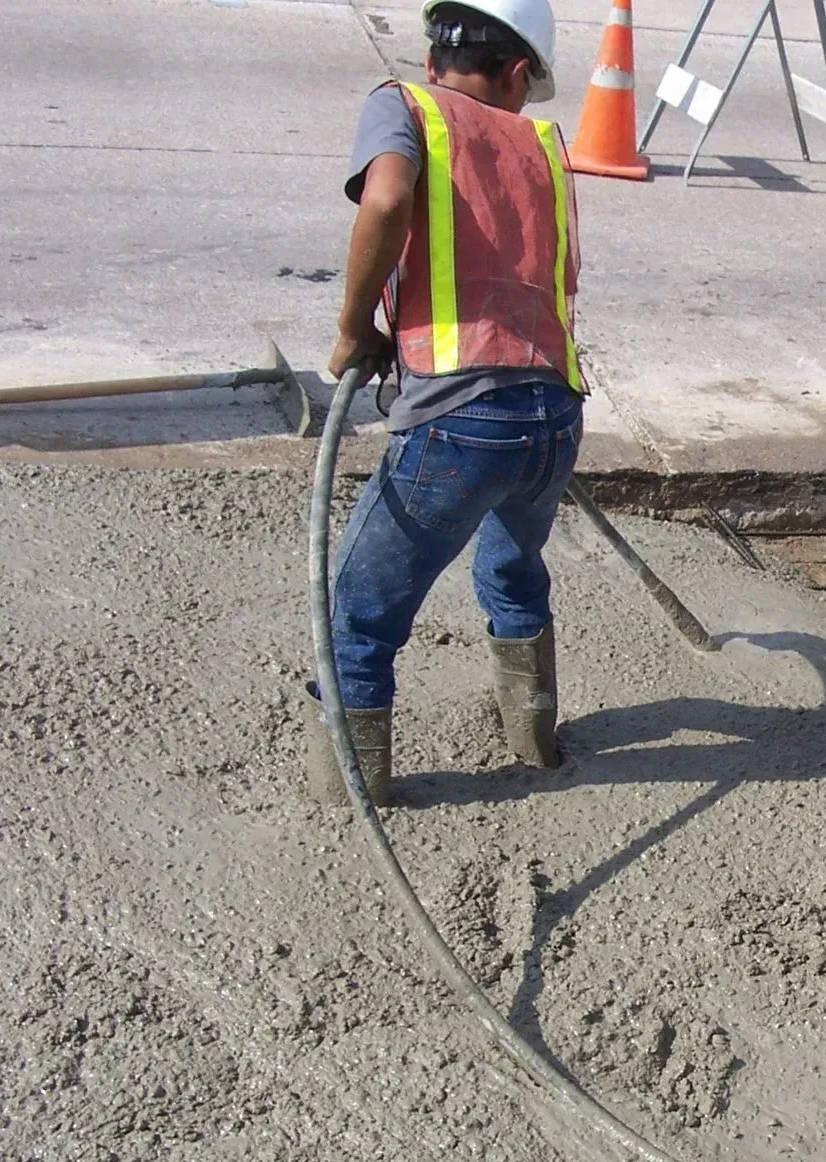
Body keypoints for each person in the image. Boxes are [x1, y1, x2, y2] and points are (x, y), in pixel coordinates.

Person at [307, 0, 584, 807]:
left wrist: (355, 329)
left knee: (357, 617)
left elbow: (387, 202)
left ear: (435, 56)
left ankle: (346, 796)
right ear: (519, 71)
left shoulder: (406, 105)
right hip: (554, 418)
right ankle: (535, 743)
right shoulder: (541, 140)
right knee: (514, 573)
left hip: (460, 420)